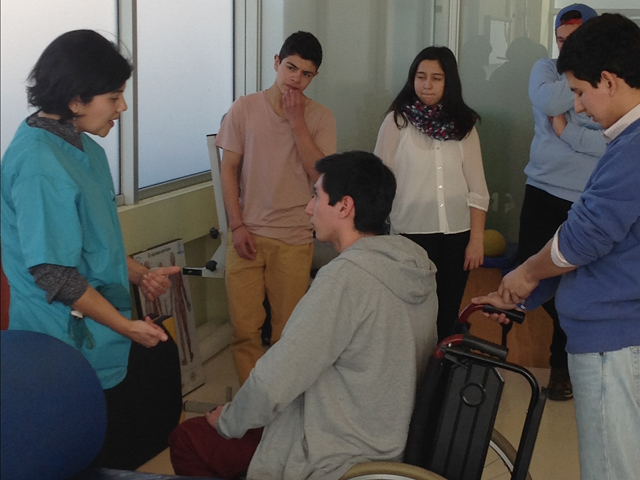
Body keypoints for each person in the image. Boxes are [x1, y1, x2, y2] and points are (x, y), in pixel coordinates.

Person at [169, 151, 438, 479]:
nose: (309, 208)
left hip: (339, 451)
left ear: (344, 206)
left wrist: (228, 421)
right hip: (392, 440)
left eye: (316, 197)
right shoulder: (415, 268)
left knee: (188, 438)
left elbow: (275, 381)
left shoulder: (345, 280)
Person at [0, 30, 182, 470]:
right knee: (83, 451)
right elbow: (55, 274)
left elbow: (94, 247)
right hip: (61, 341)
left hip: (101, 332)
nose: (123, 107)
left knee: (124, 433)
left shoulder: (85, 150)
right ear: (76, 100)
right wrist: (127, 326)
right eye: (114, 96)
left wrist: (139, 274)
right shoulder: (40, 163)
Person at [473, 13, 640, 480]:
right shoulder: (624, 143)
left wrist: (526, 274)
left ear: (609, 80)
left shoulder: (633, 147)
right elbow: (602, 247)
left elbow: (587, 236)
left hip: (614, 342)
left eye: (581, 93)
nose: (579, 108)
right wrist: (522, 295)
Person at [216, 31, 337, 385]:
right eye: (290, 68)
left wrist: (297, 120)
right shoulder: (244, 108)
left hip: (294, 237)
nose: (296, 79)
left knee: (288, 332)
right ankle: (252, 405)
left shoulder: (320, 116)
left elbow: (320, 174)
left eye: (306, 74)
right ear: (276, 63)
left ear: (314, 76)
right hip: (247, 233)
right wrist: (237, 226)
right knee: (244, 330)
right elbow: (228, 169)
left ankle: (281, 404)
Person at [374, 46, 489, 342]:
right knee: (410, 314)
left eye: (436, 78)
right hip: (409, 233)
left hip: (456, 234)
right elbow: (379, 181)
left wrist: (476, 239)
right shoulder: (397, 122)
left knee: (447, 313)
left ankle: (440, 369)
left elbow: (478, 189)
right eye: (420, 76)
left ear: (448, 82)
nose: (427, 84)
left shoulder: (464, 127)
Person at [519, 3, 604, 402]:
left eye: (576, 40)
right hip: (541, 189)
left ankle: (562, 367)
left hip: (584, 196)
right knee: (533, 276)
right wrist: (575, 85)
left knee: (576, 281)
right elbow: (550, 105)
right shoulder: (545, 68)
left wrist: (569, 134)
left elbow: (608, 144)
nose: (565, 48)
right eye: (560, 40)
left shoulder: (607, 81)